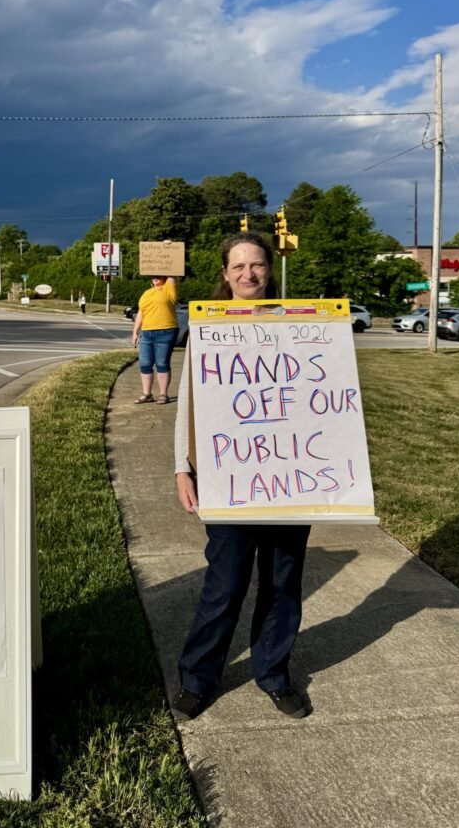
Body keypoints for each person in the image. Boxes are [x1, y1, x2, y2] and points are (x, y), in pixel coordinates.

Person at [172, 231, 310, 720]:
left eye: (258, 266)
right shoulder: (208, 328)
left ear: (269, 271)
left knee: (281, 581)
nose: (249, 274)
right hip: (228, 475)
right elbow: (188, 401)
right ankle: (198, 678)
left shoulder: (298, 325)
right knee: (225, 583)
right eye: (239, 267)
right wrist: (181, 466)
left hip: (288, 474)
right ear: (225, 274)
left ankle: (274, 674)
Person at [131, 274, 179, 405]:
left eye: (158, 274)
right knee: (145, 364)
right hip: (146, 333)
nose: (155, 277)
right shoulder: (147, 293)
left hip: (166, 331)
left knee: (162, 363)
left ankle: (163, 394)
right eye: (153, 275)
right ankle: (147, 394)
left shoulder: (169, 288)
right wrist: (135, 331)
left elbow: (172, 273)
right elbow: (141, 312)